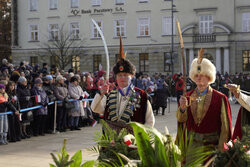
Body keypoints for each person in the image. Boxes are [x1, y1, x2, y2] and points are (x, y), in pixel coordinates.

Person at [91, 37, 155, 127]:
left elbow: (149, 121)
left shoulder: (141, 95)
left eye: (125, 75)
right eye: (119, 75)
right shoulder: (110, 95)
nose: (122, 78)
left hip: (133, 139)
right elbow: (95, 109)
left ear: (131, 76)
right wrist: (101, 94)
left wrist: (142, 139)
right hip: (112, 139)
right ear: (116, 77)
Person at [176, 54, 232, 153]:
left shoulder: (220, 98)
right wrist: (182, 108)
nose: (198, 78)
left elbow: (225, 127)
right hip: (191, 148)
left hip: (211, 148)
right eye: (196, 75)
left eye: (202, 75)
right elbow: (181, 120)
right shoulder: (187, 97)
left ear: (209, 76)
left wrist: (221, 150)